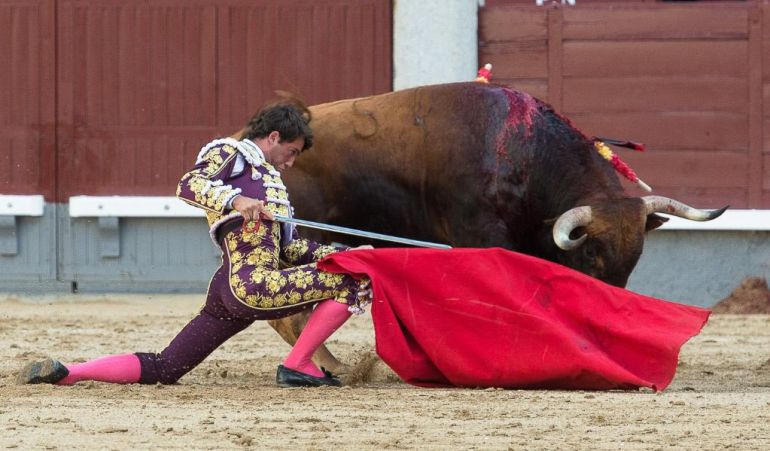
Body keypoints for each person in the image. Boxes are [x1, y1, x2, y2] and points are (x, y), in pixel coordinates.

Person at [17, 100, 372, 388]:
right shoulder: (233, 154)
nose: (291, 162)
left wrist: (342, 254)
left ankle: (70, 372)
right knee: (355, 281)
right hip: (253, 284)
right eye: (291, 151)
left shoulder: (271, 184)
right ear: (274, 136)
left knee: (166, 367)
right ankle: (298, 363)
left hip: (228, 289)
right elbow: (188, 185)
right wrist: (235, 202)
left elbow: (289, 250)